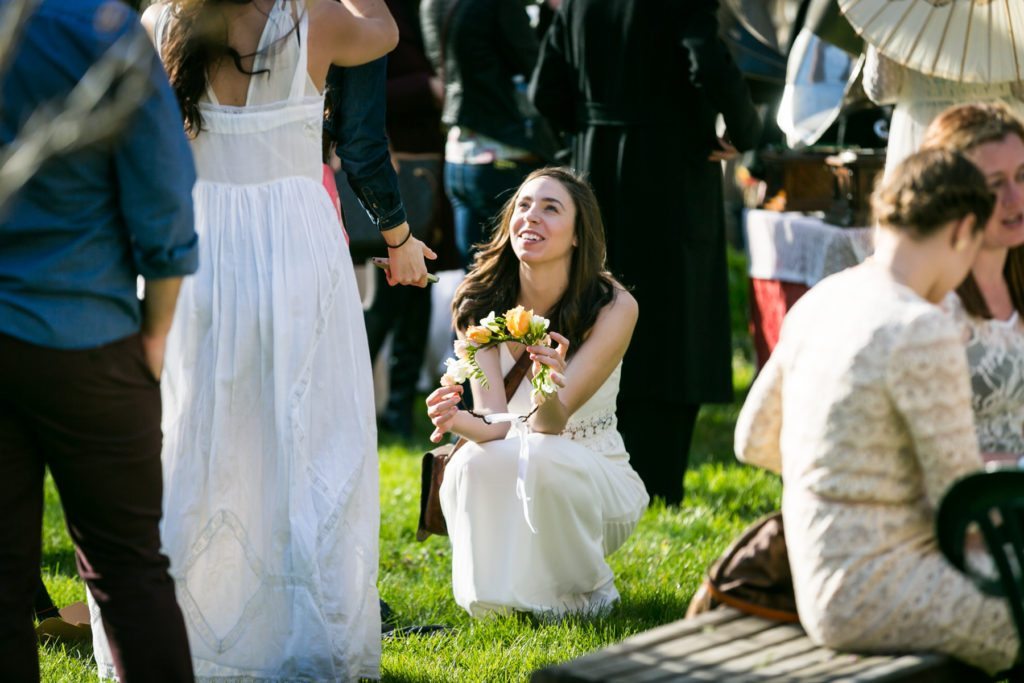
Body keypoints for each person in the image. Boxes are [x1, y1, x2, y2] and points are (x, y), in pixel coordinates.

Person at [90, 1, 428, 679]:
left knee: (195, 430)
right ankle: (301, 631)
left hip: (202, 243)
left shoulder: (161, 23)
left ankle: (186, 628)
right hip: (295, 243)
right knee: (307, 433)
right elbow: (387, 31)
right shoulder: (320, 18)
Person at [735, 148, 1018, 674]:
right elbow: (963, 504)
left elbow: (751, 438)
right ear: (962, 231)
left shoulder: (821, 299)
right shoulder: (920, 325)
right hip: (893, 589)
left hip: (821, 579)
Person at [0, 1, 197, 680]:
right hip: (88, 335)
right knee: (129, 568)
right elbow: (167, 201)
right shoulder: (102, 28)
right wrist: (156, 332)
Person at [530, 0, 763, 505]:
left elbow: (544, 90)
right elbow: (707, 59)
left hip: (596, 172)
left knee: (598, 303)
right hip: (671, 170)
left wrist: (588, 129)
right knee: (674, 316)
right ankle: (658, 480)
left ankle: (597, 455)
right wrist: (746, 132)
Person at [424, 168, 649, 617]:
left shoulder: (613, 306)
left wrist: (547, 380)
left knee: (543, 456)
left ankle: (582, 600)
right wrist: (454, 420)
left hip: (589, 472)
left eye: (551, 208)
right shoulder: (479, 302)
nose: (532, 217)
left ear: (578, 236)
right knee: (470, 461)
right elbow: (494, 423)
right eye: (523, 206)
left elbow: (551, 423)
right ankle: (494, 606)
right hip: (513, 458)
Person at [919, 104, 1024, 459]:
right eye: (996, 185)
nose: (1015, 198)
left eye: (1023, 176)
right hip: (967, 499)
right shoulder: (930, 300)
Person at [420, 0, 556, 268]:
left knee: (476, 276)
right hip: (503, 150)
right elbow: (535, 65)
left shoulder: (433, 3)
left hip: (459, 153)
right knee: (512, 277)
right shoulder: (499, 5)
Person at [864, 46, 1024, 179]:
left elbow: (882, 90)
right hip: (995, 121)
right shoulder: (1008, 11)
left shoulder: (899, 10)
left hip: (927, 124)